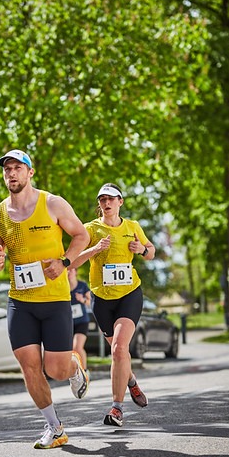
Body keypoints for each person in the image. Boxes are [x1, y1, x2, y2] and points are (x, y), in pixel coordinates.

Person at [0, 149, 90, 449]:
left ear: (30, 172)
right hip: (20, 302)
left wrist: (65, 262)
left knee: (55, 370)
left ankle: (74, 366)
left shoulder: (52, 203)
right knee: (29, 366)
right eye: (7, 169)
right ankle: (55, 428)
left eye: (17, 168)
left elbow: (81, 235)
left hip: (55, 300)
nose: (11, 173)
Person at [71, 183, 155, 427]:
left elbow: (151, 251)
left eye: (111, 198)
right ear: (99, 204)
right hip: (102, 300)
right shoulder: (90, 229)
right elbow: (72, 261)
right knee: (121, 353)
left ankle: (116, 408)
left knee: (118, 349)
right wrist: (95, 249)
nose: (106, 203)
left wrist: (142, 249)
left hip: (129, 294)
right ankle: (131, 382)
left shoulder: (132, 226)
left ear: (120, 202)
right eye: (102, 199)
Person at [67, 267, 91, 372]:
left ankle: (84, 371)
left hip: (82, 321)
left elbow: (90, 302)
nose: (68, 272)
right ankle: (74, 371)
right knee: (69, 350)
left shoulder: (82, 285)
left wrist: (82, 300)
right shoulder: (62, 287)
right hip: (67, 322)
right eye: (67, 270)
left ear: (75, 272)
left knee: (77, 346)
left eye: (71, 270)